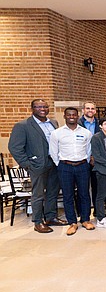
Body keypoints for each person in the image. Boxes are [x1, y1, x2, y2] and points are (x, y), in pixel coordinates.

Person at [8, 99, 66, 233]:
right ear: (32, 108)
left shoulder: (53, 123)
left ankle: (51, 217)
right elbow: (15, 147)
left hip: (54, 163)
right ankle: (38, 221)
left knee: (52, 192)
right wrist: (27, 164)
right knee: (38, 194)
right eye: (39, 107)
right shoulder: (23, 125)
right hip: (37, 165)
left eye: (45, 106)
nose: (43, 109)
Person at [49, 107, 94, 236]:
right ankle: (72, 223)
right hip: (65, 167)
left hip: (82, 166)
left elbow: (88, 150)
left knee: (84, 194)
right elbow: (53, 151)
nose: (71, 117)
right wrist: (60, 164)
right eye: (69, 115)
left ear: (77, 116)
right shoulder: (57, 133)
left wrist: (84, 162)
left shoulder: (86, 133)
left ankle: (85, 219)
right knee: (68, 195)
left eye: (74, 114)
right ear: (64, 116)